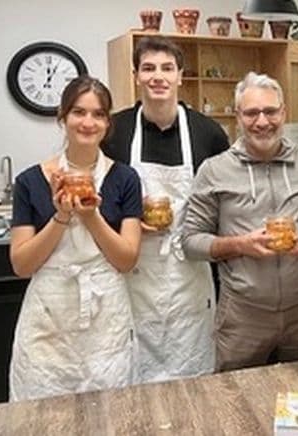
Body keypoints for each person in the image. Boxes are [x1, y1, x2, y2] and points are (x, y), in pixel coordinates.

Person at [181, 72, 298, 372]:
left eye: (270, 111)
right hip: (243, 314)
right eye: (252, 113)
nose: (262, 121)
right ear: (238, 117)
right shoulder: (214, 170)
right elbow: (191, 242)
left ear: (283, 113)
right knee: (239, 402)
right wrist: (240, 245)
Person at [103, 35, 229, 383]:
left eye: (167, 68)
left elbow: (224, 200)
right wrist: (127, 219)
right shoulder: (116, 131)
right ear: (136, 76)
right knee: (135, 373)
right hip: (134, 268)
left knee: (194, 371)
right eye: (148, 68)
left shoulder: (209, 133)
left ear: (180, 76)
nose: (158, 76)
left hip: (190, 271)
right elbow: (101, 198)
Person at [9, 76, 142, 401]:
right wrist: (61, 217)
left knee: (112, 409)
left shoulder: (124, 179)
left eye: (98, 114)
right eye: (78, 112)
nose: (88, 122)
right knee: (42, 412)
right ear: (62, 117)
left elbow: (126, 259)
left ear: (107, 122)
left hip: (104, 316)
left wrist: (90, 215)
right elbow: (22, 264)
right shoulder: (30, 182)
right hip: (49, 318)